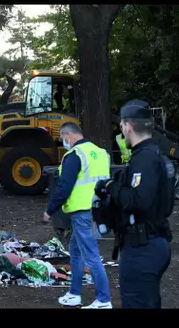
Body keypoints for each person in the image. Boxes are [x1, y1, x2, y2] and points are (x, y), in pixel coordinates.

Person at [95, 99, 173, 309]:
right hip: (149, 242)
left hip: (143, 247)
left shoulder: (145, 159)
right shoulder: (152, 155)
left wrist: (111, 186)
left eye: (121, 127)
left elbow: (139, 201)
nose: (121, 133)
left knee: (138, 302)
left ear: (128, 126)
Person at [43, 122, 112, 309]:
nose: (62, 142)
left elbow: (64, 186)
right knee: (75, 251)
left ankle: (104, 300)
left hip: (82, 211)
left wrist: (50, 210)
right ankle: (74, 294)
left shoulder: (74, 156)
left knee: (91, 256)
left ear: (68, 136)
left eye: (61, 138)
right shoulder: (101, 153)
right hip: (98, 211)